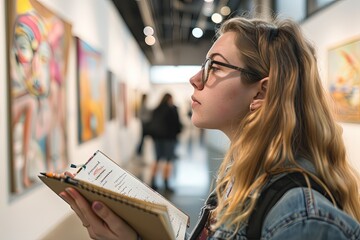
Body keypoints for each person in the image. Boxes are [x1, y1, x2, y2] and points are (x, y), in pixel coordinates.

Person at [59, 15, 360, 239]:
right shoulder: (240, 177)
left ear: (261, 92)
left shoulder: (299, 214)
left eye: (214, 66)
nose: (195, 79)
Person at [148, 93, 182, 192]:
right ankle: (166, 183)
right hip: (169, 139)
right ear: (170, 99)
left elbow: (152, 124)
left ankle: (153, 182)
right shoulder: (172, 109)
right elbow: (177, 124)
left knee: (157, 159)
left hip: (157, 138)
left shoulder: (156, 109)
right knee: (168, 160)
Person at [135, 94, 152, 158]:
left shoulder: (144, 104)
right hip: (144, 124)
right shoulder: (143, 105)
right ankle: (139, 151)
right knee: (142, 137)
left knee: (143, 137)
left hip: (145, 123)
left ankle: (140, 151)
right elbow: (141, 115)